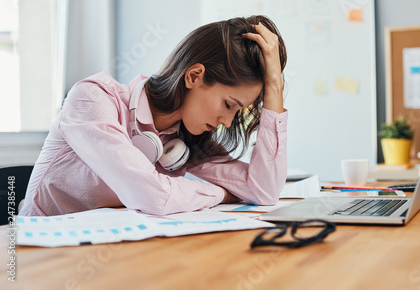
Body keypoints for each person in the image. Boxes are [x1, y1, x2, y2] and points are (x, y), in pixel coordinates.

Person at [20, 15, 288, 216]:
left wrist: (275, 86)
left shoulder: (183, 138)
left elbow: (264, 191)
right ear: (194, 76)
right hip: (39, 254)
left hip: (111, 250)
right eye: (229, 105)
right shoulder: (93, 99)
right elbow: (149, 196)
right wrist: (220, 193)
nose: (227, 122)